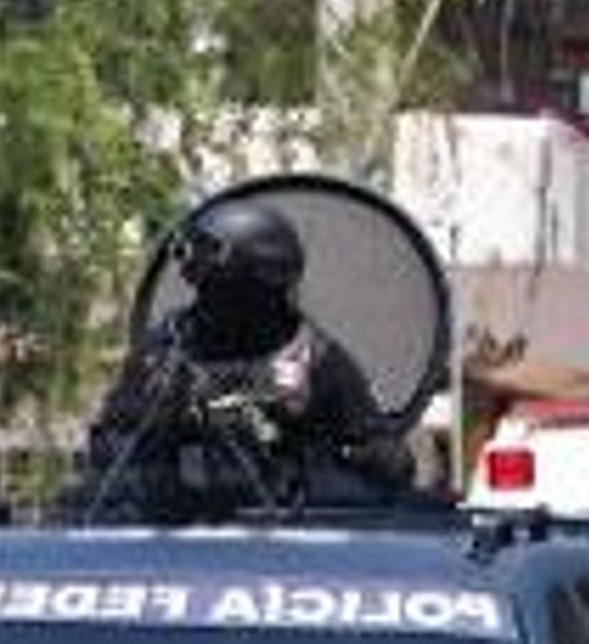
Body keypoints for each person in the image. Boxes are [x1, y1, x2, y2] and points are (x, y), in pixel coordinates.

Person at [79, 199, 413, 518]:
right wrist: (160, 420)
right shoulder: (164, 352)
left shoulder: (318, 362)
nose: (210, 304)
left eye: (219, 289)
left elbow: (392, 466)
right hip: (178, 548)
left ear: (257, 288)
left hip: (295, 548)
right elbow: (108, 459)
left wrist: (325, 450)